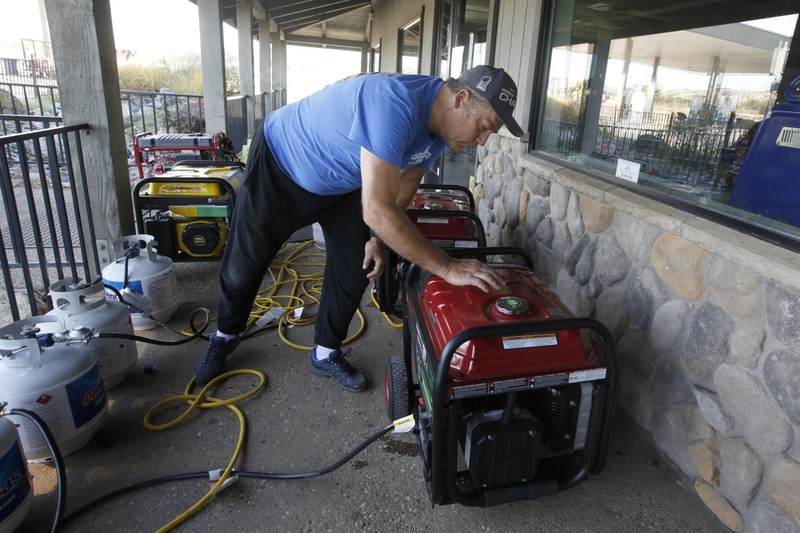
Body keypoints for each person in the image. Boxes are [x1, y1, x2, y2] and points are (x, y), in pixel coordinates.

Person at [194, 65, 525, 391]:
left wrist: (380, 239)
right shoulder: (393, 102)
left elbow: (402, 189)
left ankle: (325, 352)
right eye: (483, 126)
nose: (481, 140)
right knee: (246, 261)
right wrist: (447, 267)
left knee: (358, 265)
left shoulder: (440, 133)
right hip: (284, 162)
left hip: (345, 182)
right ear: (461, 99)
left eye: (489, 134)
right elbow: (378, 210)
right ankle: (225, 335)